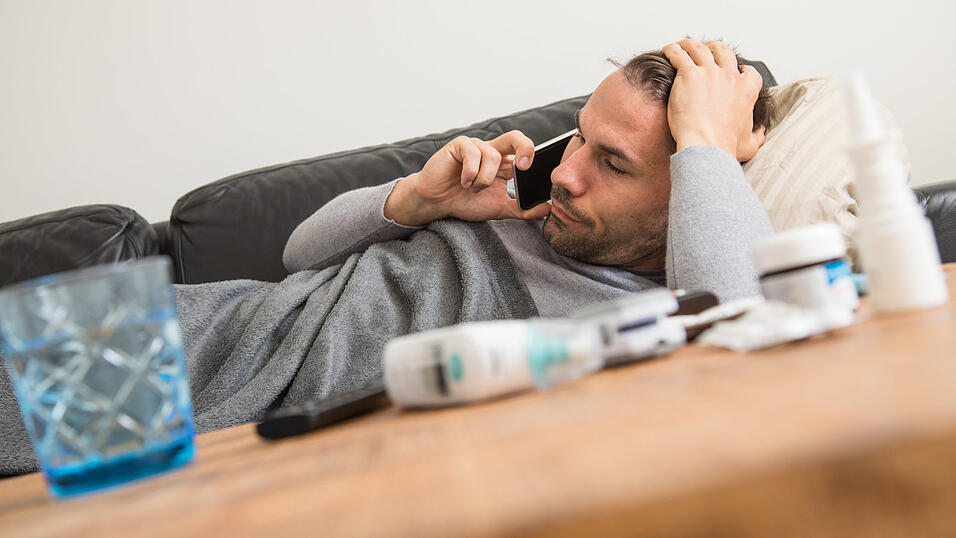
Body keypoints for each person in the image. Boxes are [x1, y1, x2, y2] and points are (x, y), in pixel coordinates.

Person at [283, 38, 774, 318]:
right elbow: (297, 256)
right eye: (581, 137)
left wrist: (705, 142)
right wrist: (419, 201)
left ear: (695, 184)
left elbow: (740, 336)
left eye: (614, 164)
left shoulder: (640, 314)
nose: (564, 174)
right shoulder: (513, 204)